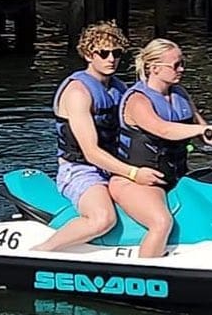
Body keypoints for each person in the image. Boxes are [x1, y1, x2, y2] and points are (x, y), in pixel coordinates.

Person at [38, 21, 164, 253]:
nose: (111, 59)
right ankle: (41, 252)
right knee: (103, 219)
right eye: (103, 53)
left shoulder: (119, 88)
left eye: (116, 53)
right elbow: (91, 152)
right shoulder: (78, 93)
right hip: (80, 169)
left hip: (116, 166)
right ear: (88, 55)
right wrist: (134, 174)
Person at [110, 39, 212, 259]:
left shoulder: (180, 94)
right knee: (161, 222)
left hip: (175, 176)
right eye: (176, 65)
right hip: (137, 182)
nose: (181, 69)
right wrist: (201, 130)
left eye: (183, 63)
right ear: (154, 68)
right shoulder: (138, 100)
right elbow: (162, 129)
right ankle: (145, 272)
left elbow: (202, 130)